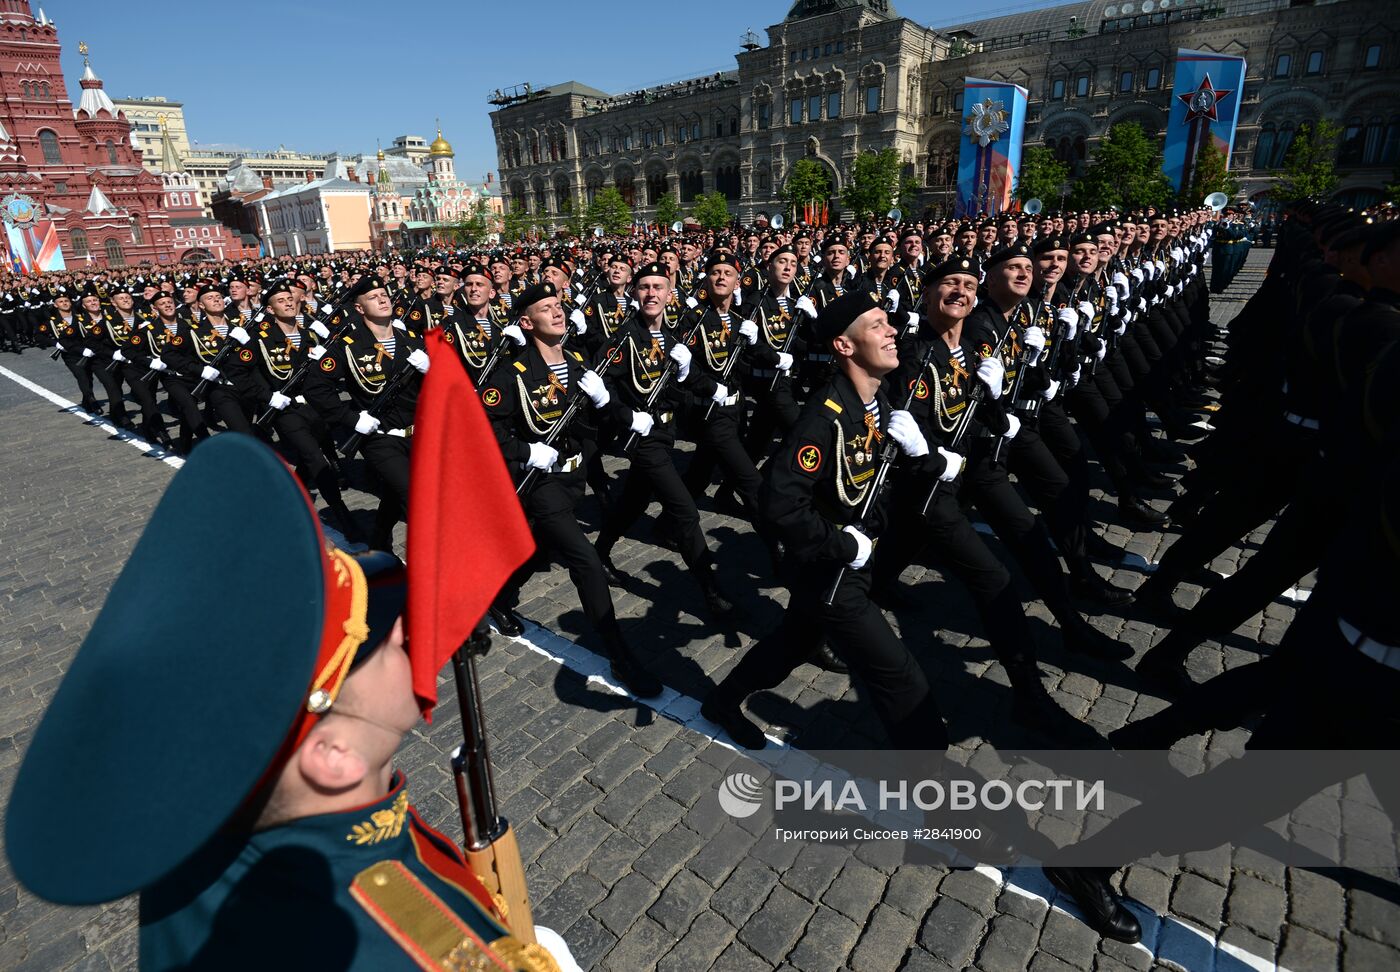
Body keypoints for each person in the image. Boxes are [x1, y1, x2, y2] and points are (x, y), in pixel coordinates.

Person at [5, 434, 575, 971]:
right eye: (372, 642)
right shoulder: (426, 952)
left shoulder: (196, 833)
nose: (405, 633)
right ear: (333, 758)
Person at [701, 289, 950, 751]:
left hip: (852, 561)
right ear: (844, 346)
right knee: (901, 678)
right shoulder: (824, 416)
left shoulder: (881, 401)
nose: (891, 330)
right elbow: (780, 503)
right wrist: (842, 545)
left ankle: (723, 700)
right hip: (832, 571)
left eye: (886, 322)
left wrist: (927, 457)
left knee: (792, 643)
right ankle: (934, 791)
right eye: (876, 326)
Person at [482, 282, 663, 697]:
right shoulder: (511, 373)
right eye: (546, 309)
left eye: (558, 305)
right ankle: (621, 657)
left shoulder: (579, 362)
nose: (558, 312)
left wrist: (617, 410)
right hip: (541, 483)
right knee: (584, 561)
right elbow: (485, 430)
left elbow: (603, 414)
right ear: (527, 322)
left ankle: (498, 596)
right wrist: (526, 450)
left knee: (539, 549)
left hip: (575, 478)